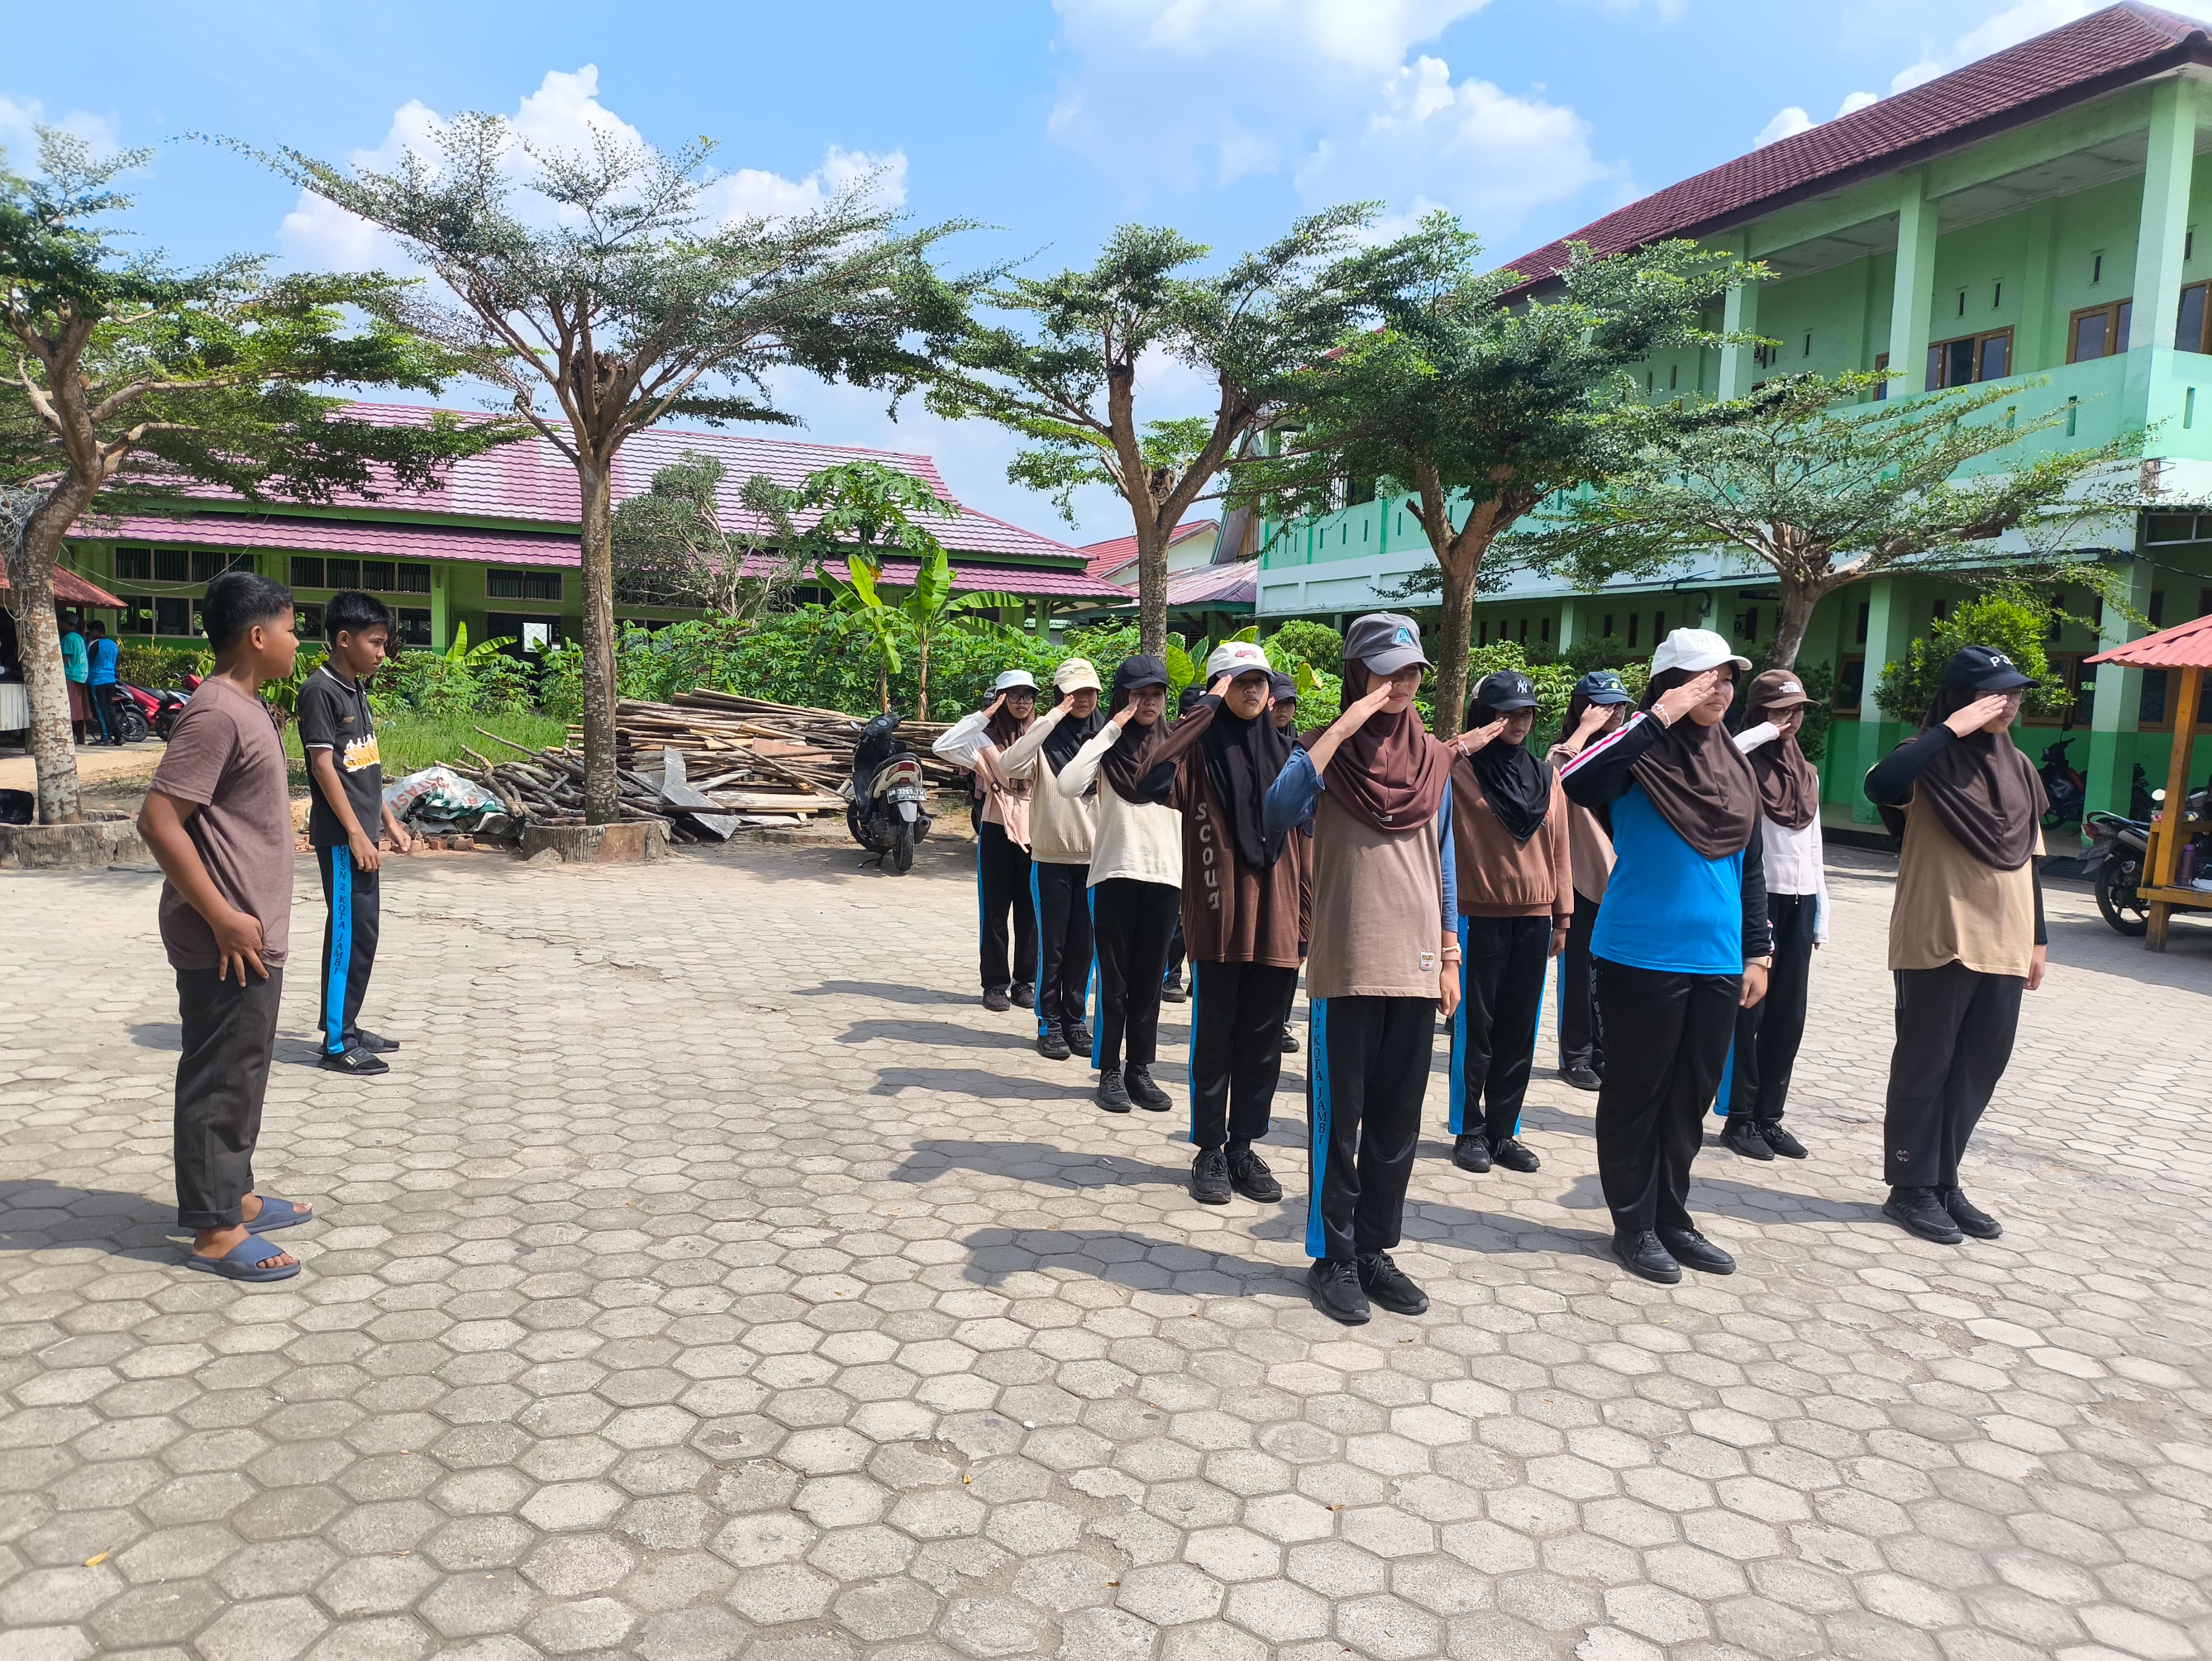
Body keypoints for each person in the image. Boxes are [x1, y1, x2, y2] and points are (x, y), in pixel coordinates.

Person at [1262, 613, 1459, 1326]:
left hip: (1416, 964)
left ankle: (1376, 1247)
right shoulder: (1321, 752)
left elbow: (1446, 865)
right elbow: (1278, 808)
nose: (1401, 683)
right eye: (1386, 669)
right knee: (1337, 1121)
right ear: (1357, 673)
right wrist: (1343, 728)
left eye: (1410, 671)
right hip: (1347, 963)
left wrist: (1450, 953)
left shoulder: (1433, 757)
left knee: (1397, 1123)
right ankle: (1333, 1255)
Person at [1560, 629, 1771, 1287]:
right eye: (1703, 678)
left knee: (1690, 1097)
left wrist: (1758, 953)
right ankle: (1633, 1224)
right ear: (1670, 684)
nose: (1719, 690)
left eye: (1727, 679)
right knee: (1636, 1093)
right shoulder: (1633, 755)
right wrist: (1658, 719)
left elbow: (1751, 867)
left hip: (1715, 958)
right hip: (1639, 954)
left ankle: (1672, 1216)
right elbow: (1575, 781)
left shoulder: (1733, 763)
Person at [135, 571, 314, 1283]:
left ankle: (232, 1190)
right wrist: (223, 915)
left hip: (249, 930)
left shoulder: (248, 709)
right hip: (225, 935)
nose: (298, 641)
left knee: (244, 1068)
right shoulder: (216, 714)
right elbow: (157, 819)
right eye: (293, 627)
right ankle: (214, 1228)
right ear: (258, 635)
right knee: (220, 1075)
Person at [1864, 646, 2048, 1245]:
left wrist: (2038, 940)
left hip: (2005, 940)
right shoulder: (1923, 762)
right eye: (1994, 693)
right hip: (1938, 935)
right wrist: (1949, 730)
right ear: (1959, 700)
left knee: (1977, 1069)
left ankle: (1943, 1180)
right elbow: (1880, 786)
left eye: (2014, 694)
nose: (2008, 703)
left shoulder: (2018, 767)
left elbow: (2029, 860)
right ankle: (1909, 1187)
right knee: (1925, 1065)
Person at [1165, 642, 1306, 1207]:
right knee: (1215, 1041)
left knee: (1262, 1043)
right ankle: (1208, 1150)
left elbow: (1307, 840)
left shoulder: (1291, 753)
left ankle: (1244, 1146)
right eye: (1239, 683)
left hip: (1277, 917)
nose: (1253, 693)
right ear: (1219, 687)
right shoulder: (1198, 753)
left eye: (1260, 683)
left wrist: (1306, 920)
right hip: (1219, 915)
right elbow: (1152, 772)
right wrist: (1202, 710)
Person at [1443, 670, 1572, 1177]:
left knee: (1519, 1030)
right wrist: (1466, 742)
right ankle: (1468, 1128)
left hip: (1535, 918)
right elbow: (1432, 760)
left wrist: (1563, 913)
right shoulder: (1461, 771)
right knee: (1476, 1029)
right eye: (1504, 713)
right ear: (1484, 717)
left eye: (1525, 713)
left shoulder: (1545, 776)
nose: (1517, 722)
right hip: (1477, 915)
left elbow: (1559, 848)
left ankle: (1505, 1129)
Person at [1053, 657, 1185, 1114]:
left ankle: (1139, 1069)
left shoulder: (1178, 746)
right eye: (1138, 694)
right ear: (1122, 697)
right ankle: (1108, 1069)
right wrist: (1110, 730)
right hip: (1114, 872)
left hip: (1167, 875)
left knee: (1149, 983)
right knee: (1114, 982)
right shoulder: (1106, 746)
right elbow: (1069, 783)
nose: (1149, 702)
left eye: (1156, 694)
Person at [300, 591, 414, 1075]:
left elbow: (366, 767)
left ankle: (347, 1022)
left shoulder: (355, 689)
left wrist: (389, 823)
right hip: (344, 839)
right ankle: (336, 1041)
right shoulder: (320, 691)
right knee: (348, 933)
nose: (382, 653)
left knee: (364, 932)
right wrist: (355, 833)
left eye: (385, 644)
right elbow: (323, 766)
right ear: (344, 639)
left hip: (365, 832)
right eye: (376, 643)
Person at [1719, 670, 1828, 1162]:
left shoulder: (1807, 774)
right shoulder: (1743, 761)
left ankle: (1770, 1116)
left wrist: (1821, 912)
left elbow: (1815, 846)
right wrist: (1767, 729)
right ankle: (1739, 1117)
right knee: (1750, 1013)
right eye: (1781, 710)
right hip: (1759, 899)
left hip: (1800, 902)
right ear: (1759, 712)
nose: (1792, 720)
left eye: (1798, 711)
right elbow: (1727, 754)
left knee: (1789, 1016)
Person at [993, 658, 1103, 1059]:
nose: (1083, 700)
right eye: (1073, 693)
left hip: (1096, 861)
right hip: (1051, 859)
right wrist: (1052, 717)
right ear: (1060, 696)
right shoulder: (1043, 741)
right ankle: (1049, 1023)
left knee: (1083, 949)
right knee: (1052, 948)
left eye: (1090, 692)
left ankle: (1076, 1020)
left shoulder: (1107, 738)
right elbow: (1009, 764)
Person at [1547, 671, 1631, 1090]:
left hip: (1626, 879)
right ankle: (1575, 1054)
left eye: (1619, 704)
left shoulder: (1629, 747)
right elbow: (1552, 782)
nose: (1613, 711)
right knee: (1578, 970)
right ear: (1582, 705)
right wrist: (1584, 730)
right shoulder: (1566, 750)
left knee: (1613, 972)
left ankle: (1604, 1050)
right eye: (1602, 703)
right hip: (1581, 879)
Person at [937, 670, 1039, 1011]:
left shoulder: (1045, 733)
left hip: (1039, 831)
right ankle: (995, 984)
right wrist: (984, 716)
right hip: (997, 828)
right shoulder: (983, 740)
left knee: (1031, 910)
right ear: (1001, 699)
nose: (1022, 702)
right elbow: (944, 746)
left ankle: (1025, 981)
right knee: (995, 912)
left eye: (1028, 695)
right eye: (1013, 695)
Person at [1159, 685, 1209, 1006]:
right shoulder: (1174, 747)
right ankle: (1171, 976)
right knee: (1179, 917)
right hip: (1174, 844)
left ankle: (1197, 976)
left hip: (1206, 845)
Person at [1268, 670, 1310, 1056]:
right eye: (1278, 701)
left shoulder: (1301, 749)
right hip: (1267, 849)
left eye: (1289, 702)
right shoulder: (1257, 746)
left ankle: (1281, 1018)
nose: (1284, 709)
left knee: (1296, 940)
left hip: (1302, 844)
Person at [85, 620, 124, 745]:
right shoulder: (113, 645)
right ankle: (118, 736)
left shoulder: (95, 644)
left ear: (95, 631)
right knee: (110, 708)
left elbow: (88, 662)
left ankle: (106, 736)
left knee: (100, 709)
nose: (90, 634)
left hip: (97, 680)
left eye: (91, 632)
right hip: (111, 680)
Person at [59, 611, 91, 745]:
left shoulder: (68, 639)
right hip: (82, 675)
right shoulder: (79, 638)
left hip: (70, 676)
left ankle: (68, 737)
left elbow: (65, 660)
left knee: (68, 710)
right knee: (80, 710)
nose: (60, 626)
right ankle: (81, 738)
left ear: (66, 624)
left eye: (61, 623)